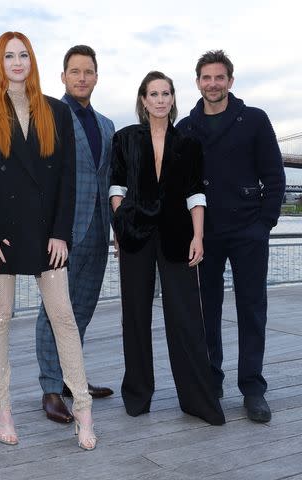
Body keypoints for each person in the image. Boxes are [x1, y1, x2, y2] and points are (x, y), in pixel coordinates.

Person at [0, 31, 96, 450]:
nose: (17, 62)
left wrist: (61, 232)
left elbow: (66, 177)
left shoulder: (56, 111)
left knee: (64, 318)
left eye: (23, 55)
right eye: (8, 56)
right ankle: (2, 409)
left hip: (45, 235)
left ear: (32, 61)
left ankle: (84, 411)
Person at [110, 71, 225, 426]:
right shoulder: (124, 138)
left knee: (187, 318)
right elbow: (116, 188)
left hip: (177, 236)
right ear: (143, 100)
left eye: (166, 94)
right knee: (136, 315)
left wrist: (198, 235)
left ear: (173, 99)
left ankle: (197, 400)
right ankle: (138, 395)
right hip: (136, 236)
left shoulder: (188, 143)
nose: (160, 100)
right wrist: (121, 225)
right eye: (153, 94)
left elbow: (196, 194)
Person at [177, 50, 285, 423]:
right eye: (206, 78)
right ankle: (212, 381)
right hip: (204, 236)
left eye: (219, 77)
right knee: (207, 312)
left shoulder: (253, 119)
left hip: (247, 231)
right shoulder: (185, 128)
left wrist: (264, 224)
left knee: (252, 310)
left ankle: (253, 388)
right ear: (197, 82)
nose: (213, 84)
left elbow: (274, 176)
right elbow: (178, 186)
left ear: (230, 81)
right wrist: (189, 233)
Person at [35, 45, 115, 424]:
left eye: (88, 71)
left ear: (96, 77)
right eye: (75, 71)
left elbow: (110, 180)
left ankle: (71, 379)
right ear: (63, 77)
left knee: (81, 311)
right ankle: (50, 389)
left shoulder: (107, 125)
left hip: (99, 231)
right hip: (60, 234)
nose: (82, 78)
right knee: (54, 313)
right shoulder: (48, 115)